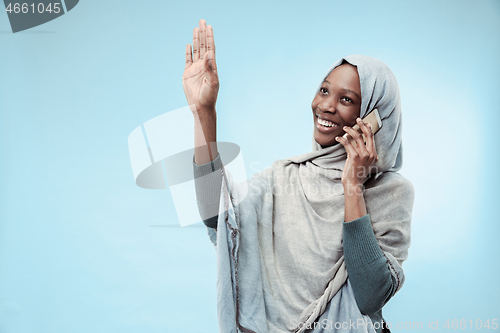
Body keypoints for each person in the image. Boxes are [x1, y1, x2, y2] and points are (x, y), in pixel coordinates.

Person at [185, 19, 414, 333]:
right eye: (324, 90)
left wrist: (353, 185)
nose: (326, 106)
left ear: (376, 117)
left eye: (346, 100)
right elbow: (217, 216)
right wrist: (203, 112)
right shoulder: (284, 177)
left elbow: (370, 295)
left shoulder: (392, 191)